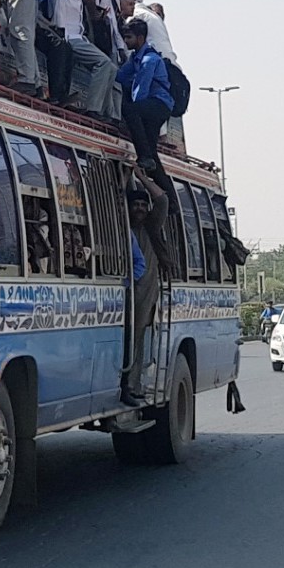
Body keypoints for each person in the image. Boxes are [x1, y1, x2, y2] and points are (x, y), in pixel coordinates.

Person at [52, 0, 117, 121]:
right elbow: (58, 6)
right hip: (69, 36)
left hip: (79, 37)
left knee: (111, 68)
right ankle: (93, 109)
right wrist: (61, 34)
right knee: (104, 63)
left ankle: (103, 111)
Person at [124, 168, 169, 405]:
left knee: (137, 338)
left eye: (143, 205)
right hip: (124, 292)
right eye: (135, 205)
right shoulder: (122, 226)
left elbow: (162, 200)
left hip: (144, 292)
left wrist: (141, 177)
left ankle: (133, 385)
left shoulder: (150, 226)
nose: (140, 209)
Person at [118, 19, 175, 199]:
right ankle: (172, 201)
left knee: (131, 110)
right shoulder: (136, 58)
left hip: (160, 104)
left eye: (129, 37)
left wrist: (133, 109)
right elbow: (120, 76)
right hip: (153, 105)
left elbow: (140, 91)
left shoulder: (149, 60)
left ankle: (144, 157)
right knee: (153, 156)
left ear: (140, 38)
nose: (126, 41)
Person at [118, 0, 179, 65]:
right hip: (167, 60)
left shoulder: (137, 14)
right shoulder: (149, 14)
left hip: (157, 62)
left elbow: (129, 38)